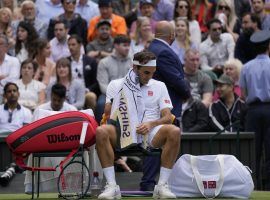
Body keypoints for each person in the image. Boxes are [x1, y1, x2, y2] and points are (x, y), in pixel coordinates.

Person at [96, 50, 180, 199]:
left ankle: (161, 186)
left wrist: (151, 123)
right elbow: (108, 115)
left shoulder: (160, 86)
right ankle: (111, 186)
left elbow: (167, 117)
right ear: (135, 68)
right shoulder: (115, 85)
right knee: (102, 131)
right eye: (146, 73)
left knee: (174, 131)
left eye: (153, 73)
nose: (150, 77)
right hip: (122, 132)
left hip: (151, 133)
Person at [24, 83, 77, 194]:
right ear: (51, 96)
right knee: (32, 153)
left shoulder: (72, 110)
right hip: (44, 147)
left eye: (59, 100)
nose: (57, 103)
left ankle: (73, 187)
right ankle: (32, 187)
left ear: (64, 98)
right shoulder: (39, 110)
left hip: (66, 147)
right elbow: (31, 132)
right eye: (54, 99)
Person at [239, 30, 270, 190]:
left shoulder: (246, 67)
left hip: (253, 111)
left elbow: (243, 94)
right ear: (268, 47)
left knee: (253, 152)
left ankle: (252, 187)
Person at [96, 34, 132, 122]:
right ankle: (101, 128)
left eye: (128, 45)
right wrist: (117, 96)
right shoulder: (104, 62)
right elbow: (103, 85)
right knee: (101, 104)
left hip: (130, 93)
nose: (127, 48)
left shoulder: (133, 61)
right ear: (116, 46)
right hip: (108, 94)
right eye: (124, 45)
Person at [0, 34, 20, 104]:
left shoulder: (14, 61)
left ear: (6, 47)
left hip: (9, 96)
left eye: (1, 44)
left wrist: (1, 80)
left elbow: (13, 81)